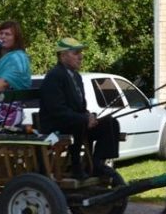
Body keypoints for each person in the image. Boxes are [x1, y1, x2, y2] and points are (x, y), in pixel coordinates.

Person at [39, 37, 120, 180]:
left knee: (111, 123)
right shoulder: (54, 76)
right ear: (63, 55)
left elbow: (81, 107)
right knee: (80, 125)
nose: (81, 57)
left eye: (81, 53)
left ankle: (97, 163)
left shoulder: (76, 77)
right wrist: (84, 119)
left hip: (75, 122)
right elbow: (57, 111)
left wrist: (90, 116)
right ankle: (77, 166)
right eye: (76, 53)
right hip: (57, 126)